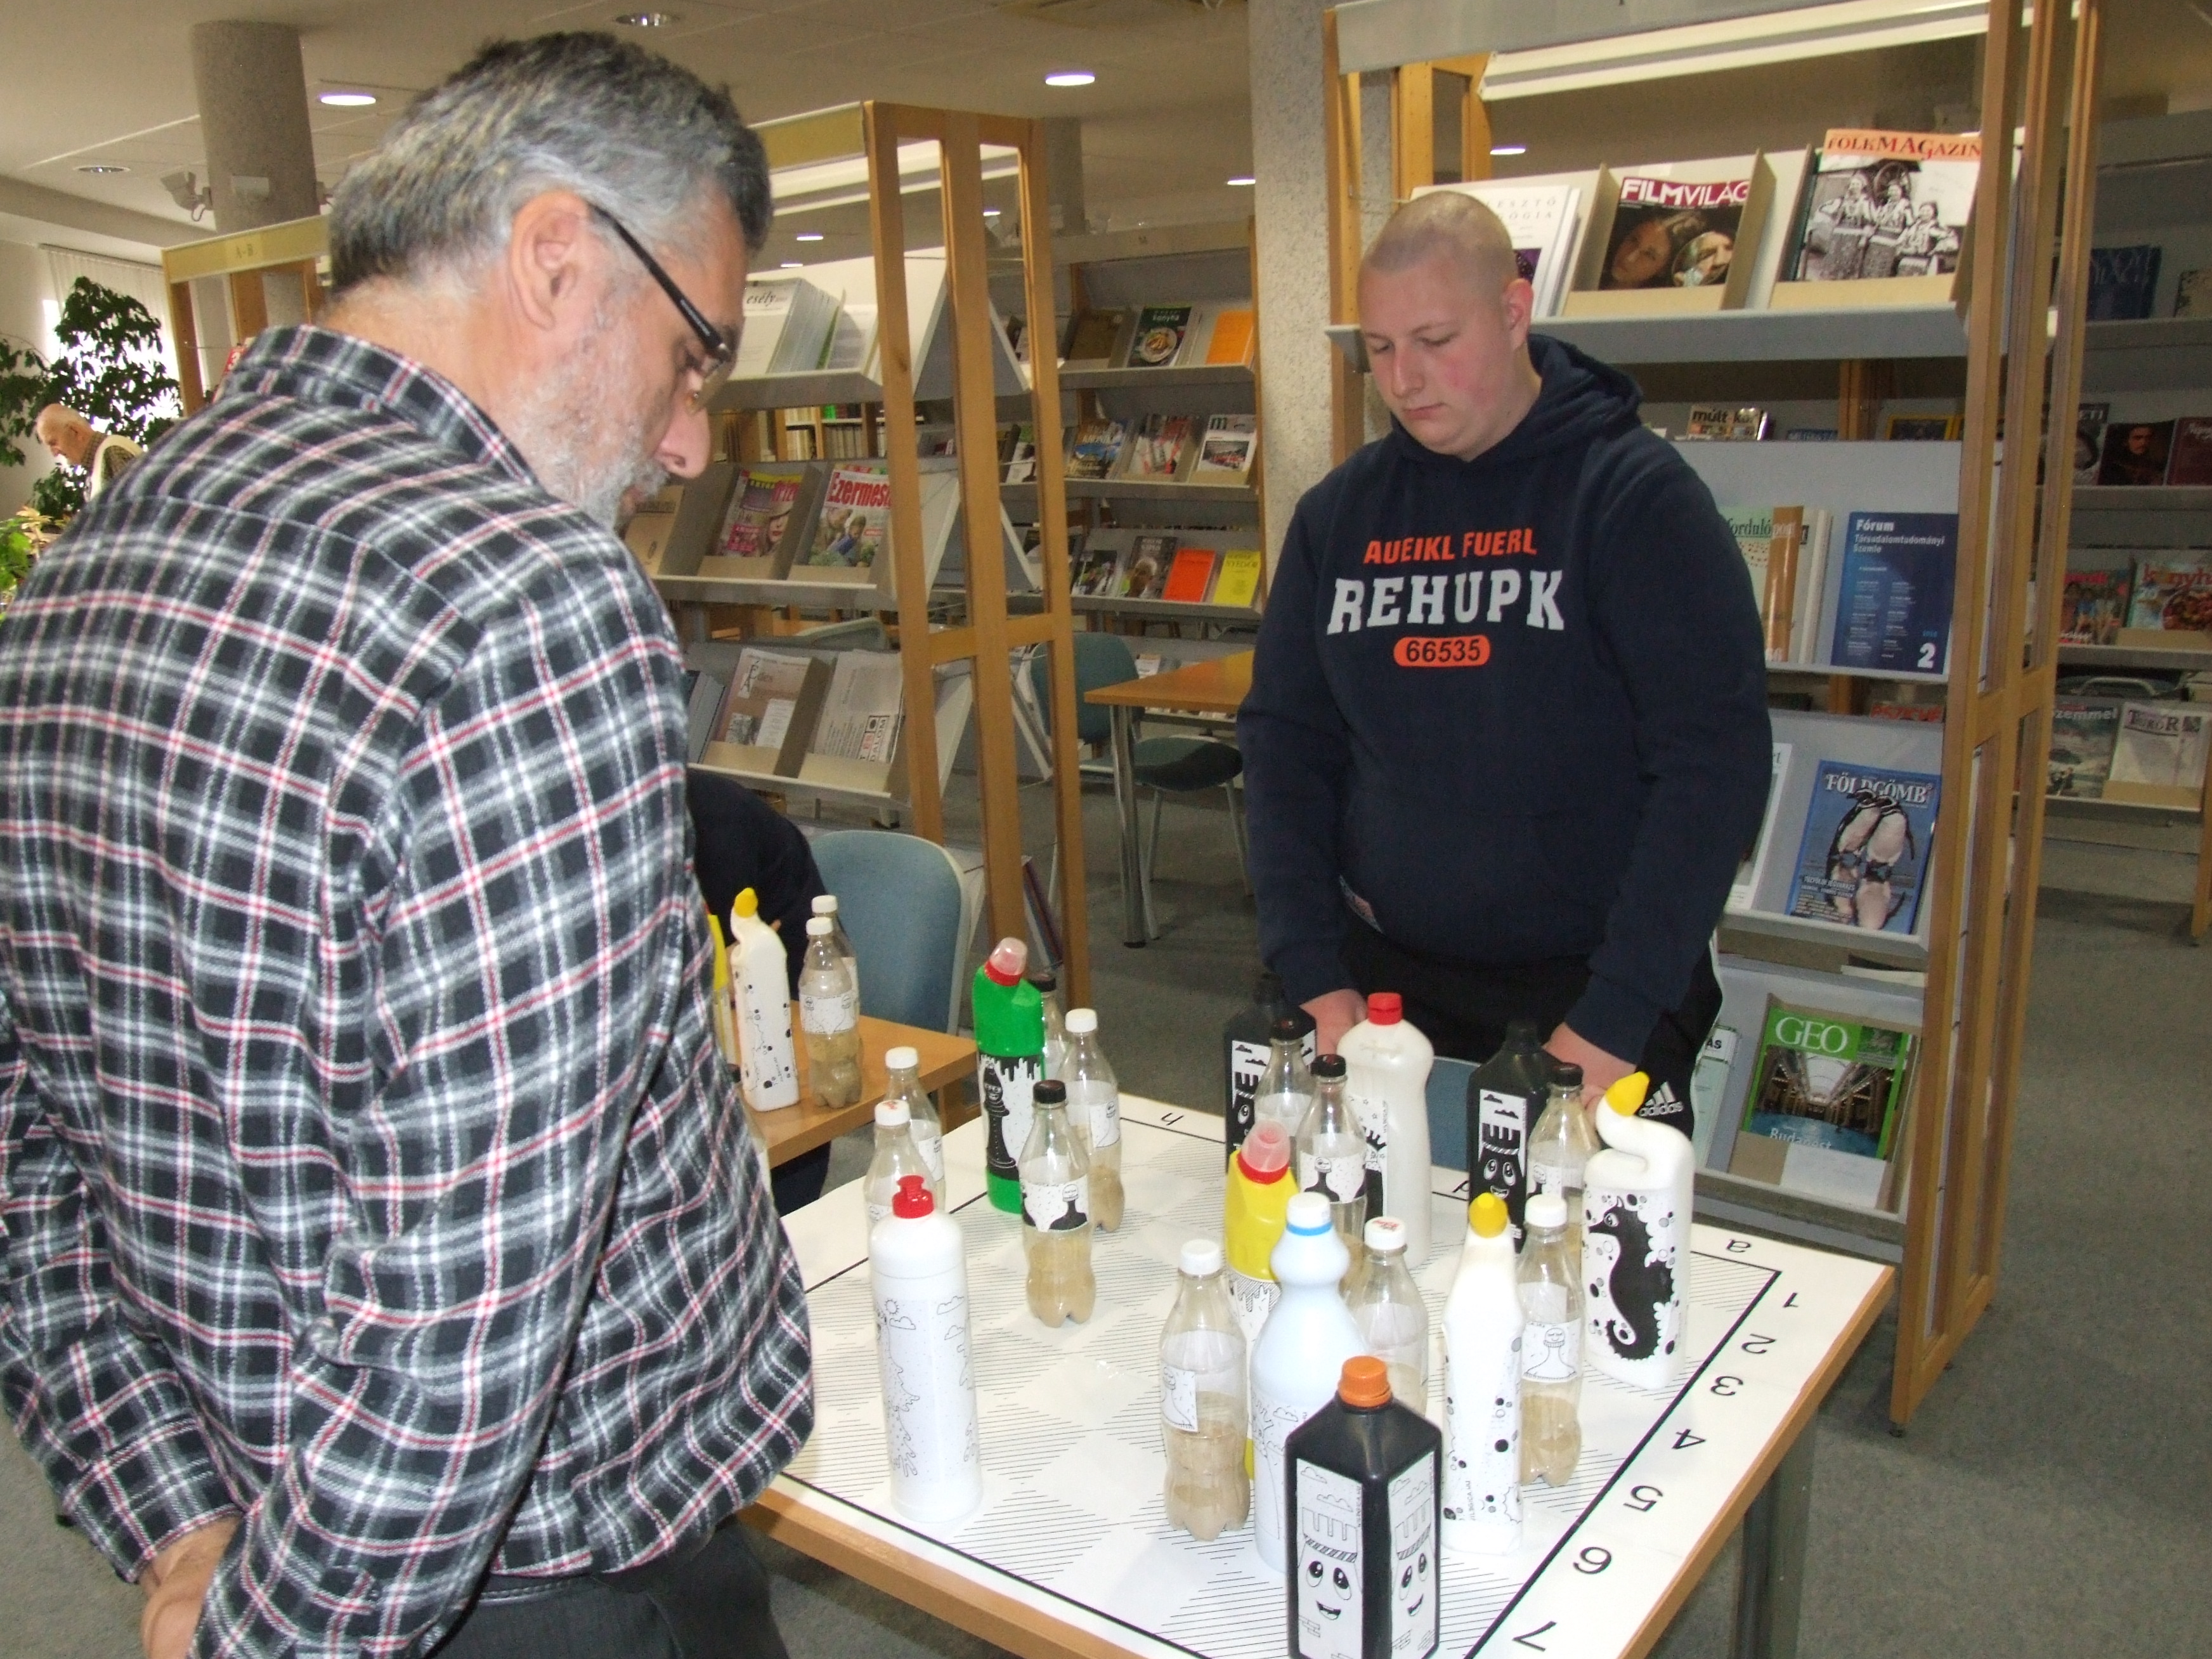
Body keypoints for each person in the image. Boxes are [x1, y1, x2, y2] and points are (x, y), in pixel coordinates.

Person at [0, 34, 812, 1659]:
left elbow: (32, 1169)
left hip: (266, 1530)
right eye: (692, 358)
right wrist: (268, 1637)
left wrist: (180, 1525)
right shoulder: (528, 603)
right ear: (558, 257)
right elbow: (468, 1307)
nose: (686, 442)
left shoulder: (76, 583)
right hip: (544, 1580)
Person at [1237, 191, 1770, 1138]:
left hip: (1593, 991)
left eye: (1435, 340)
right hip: (1382, 986)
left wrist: (1613, 1018)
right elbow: (1286, 746)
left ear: (1514, 313)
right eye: (1381, 348)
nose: (1405, 379)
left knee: (1574, 1235)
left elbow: (1712, 769)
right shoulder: (1338, 517)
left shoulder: (1638, 501)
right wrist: (1309, 964)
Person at [686, 767, 835, 1212]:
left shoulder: (716, 821)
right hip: (730, 978)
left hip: (784, 973)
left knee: (773, 1101)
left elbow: (723, 949)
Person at [33, 402, 142, 498]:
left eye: (53, 443)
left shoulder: (112, 451)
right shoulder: (98, 464)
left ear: (75, 431)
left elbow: (139, 508)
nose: (54, 453)